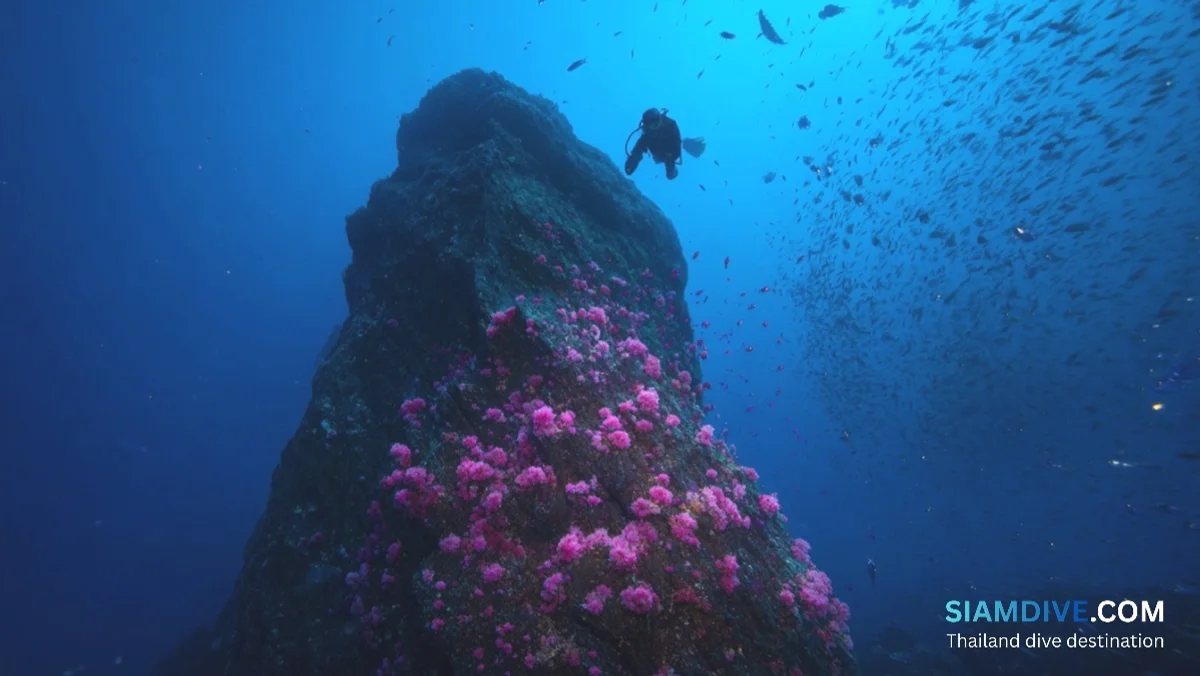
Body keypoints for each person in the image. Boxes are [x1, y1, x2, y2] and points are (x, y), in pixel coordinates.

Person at [625, 108, 682, 180]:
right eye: (654, 125)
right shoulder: (647, 134)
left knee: (670, 174)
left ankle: (672, 170)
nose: (657, 126)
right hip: (656, 150)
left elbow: (677, 147)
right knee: (636, 156)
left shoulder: (671, 125)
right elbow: (638, 149)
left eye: (657, 123)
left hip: (669, 152)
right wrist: (631, 163)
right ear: (648, 126)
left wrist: (671, 159)